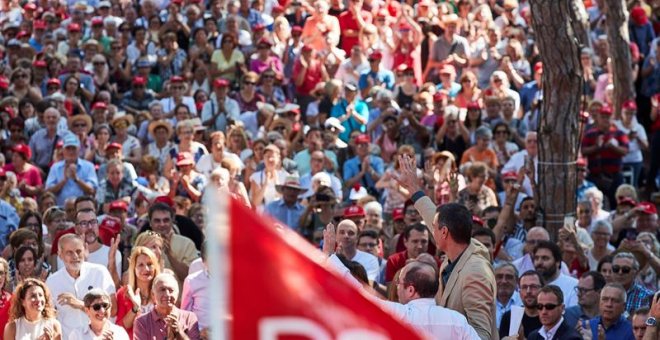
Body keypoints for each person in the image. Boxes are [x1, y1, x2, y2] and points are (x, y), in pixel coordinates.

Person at [395, 154, 496, 340]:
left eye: (433, 228)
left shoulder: (475, 273)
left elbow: (481, 335)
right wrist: (414, 189)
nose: (430, 230)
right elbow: (433, 215)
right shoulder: (461, 250)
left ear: (444, 233)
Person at [45, 234, 116, 338]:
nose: (75, 256)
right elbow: (49, 317)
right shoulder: (52, 281)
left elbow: (113, 310)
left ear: (85, 251)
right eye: (69, 252)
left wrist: (79, 304)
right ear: (60, 255)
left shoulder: (100, 272)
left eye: (78, 251)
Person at [133, 273, 200, 339]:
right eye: (162, 290)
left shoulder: (189, 318)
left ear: (177, 294)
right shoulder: (142, 322)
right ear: (153, 294)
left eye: (171, 290)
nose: (167, 294)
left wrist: (180, 333)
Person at [146, 203, 199, 282]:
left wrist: (170, 255)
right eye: (157, 221)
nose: (162, 224)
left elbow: (191, 277)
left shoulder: (186, 243)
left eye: (166, 220)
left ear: (172, 221)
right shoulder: (143, 242)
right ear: (150, 223)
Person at [45, 132, 98, 207]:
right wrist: (64, 181)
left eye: (73, 148)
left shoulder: (89, 166)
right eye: (68, 148)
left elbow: (92, 190)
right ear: (63, 150)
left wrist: (76, 179)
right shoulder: (55, 168)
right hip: (61, 209)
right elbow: (48, 191)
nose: (71, 152)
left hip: (82, 209)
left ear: (79, 150)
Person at [532, 240, 578, 307]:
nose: (539, 262)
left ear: (558, 262)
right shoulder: (529, 286)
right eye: (536, 258)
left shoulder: (573, 285)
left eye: (545, 258)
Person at [499, 270, 544, 339]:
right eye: (524, 287)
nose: (528, 291)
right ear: (519, 292)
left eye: (533, 286)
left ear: (542, 289)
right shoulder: (510, 317)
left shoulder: (548, 316)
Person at [181, 242, 210, 333]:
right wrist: (200, 333)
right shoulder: (192, 281)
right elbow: (185, 316)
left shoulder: (236, 281)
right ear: (204, 261)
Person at [494, 262, 522, 329]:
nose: (504, 281)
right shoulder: (485, 302)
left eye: (509, 277)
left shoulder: (523, 302)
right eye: (499, 277)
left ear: (517, 281)